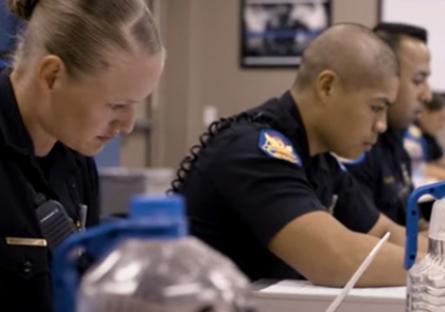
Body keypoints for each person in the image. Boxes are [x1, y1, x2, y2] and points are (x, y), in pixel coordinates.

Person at [171, 24, 427, 287]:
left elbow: (386, 232)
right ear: (327, 87)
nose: (382, 125)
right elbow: (338, 259)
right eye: (376, 107)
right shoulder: (253, 151)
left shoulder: (320, 159)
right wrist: (435, 268)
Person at [0, 0, 165, 311]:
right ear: (51, 75)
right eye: (116, 105)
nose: (128, 125)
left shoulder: (75, 159)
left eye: (136, 105)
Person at [345, 23, 432, 226]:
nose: (427, 95)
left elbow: (413, 223)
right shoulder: (356, 148)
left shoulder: (395, 143)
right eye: (418, 80)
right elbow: (369, 241)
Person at [404, 92, 445, 183]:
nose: (442, 125)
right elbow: (418, 168)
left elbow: (440, 160)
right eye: (440, 119)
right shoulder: (410, 134)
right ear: (424, 113)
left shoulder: (429, 136)